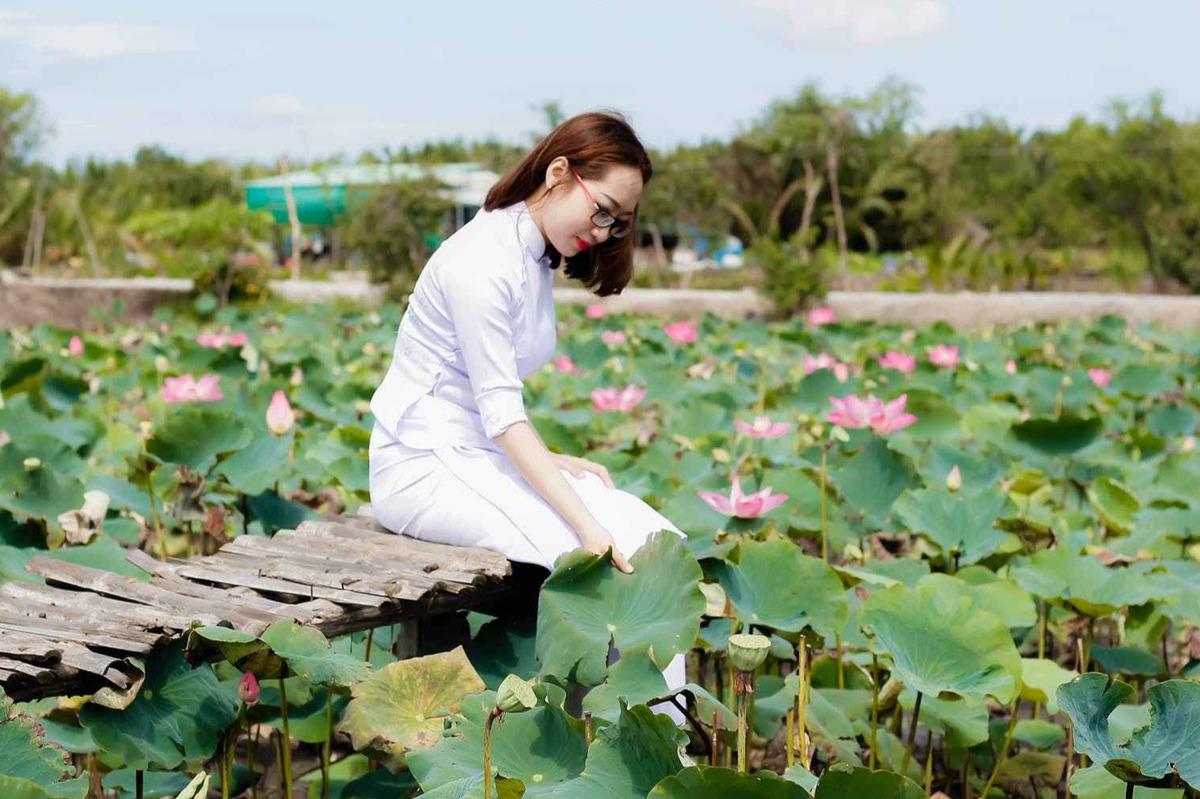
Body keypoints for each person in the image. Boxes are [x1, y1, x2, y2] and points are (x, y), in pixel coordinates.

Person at [368, 111, 686, 712]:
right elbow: (499, 414)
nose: (606, 230)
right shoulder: (482, 260)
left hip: (472, 457)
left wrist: (560, 464)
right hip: (420, 467)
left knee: (652, 538)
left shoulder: (530, 251)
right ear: (559, 171)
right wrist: (587, 525)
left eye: (619, 221)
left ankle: (659, 749)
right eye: (603, 210)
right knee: (595, 550)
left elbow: (489, 411)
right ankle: (618, 736)